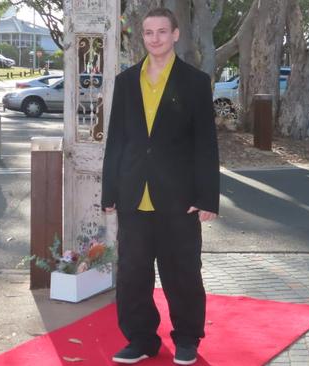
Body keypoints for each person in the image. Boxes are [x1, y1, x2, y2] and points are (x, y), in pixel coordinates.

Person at [101, 7, 219, 366]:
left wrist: (206, 197)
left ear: (175, 35)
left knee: (182, 272)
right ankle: (141, 339)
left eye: (162, 32)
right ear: (143, 36)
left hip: (179, 199)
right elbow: (117, 142)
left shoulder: (195, 83)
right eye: (148, 32)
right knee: (132, 274)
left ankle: (186, 339)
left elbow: (205, 144)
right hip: (133, 196)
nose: (155, 38)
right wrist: (109, 192)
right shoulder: (125, 82)